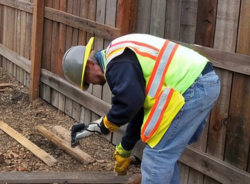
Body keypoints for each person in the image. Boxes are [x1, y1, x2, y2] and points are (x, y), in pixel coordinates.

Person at [62, 33, 220, 184]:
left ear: (90, 65)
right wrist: (125, 147)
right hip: (200, 82)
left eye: (87, 80)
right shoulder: (119, 54)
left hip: (192, 86)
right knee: (166, 154)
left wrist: (107, 124)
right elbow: (138, 109)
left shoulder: (116, 62)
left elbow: (129, 103)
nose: (92, 84)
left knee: (157, 156)